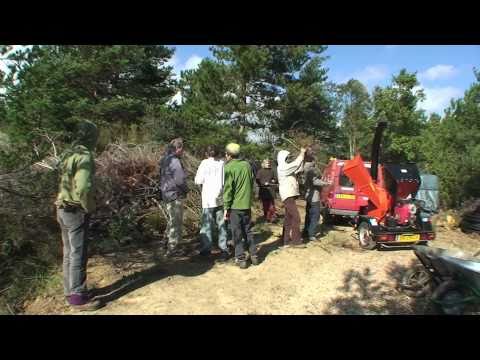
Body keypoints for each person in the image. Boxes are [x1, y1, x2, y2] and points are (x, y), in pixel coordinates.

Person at [55, 120, 102, 311]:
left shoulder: (68, 152)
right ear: (91, 136)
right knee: (78, 255)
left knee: (68, 253)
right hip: (75, 210)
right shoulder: (84, 155)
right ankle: (78, 298)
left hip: (62, 208)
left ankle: (70, 291)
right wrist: (88, 207)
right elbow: (83, 187)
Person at [223, 143, 258, 269]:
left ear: (228, 155)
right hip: (247, 204)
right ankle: (254, 255)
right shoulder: (247, 165)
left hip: (235, 206)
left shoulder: (229, 167)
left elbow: (228, 190)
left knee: (236, 232)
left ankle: (240, 258)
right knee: (248, 230)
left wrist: (226, 207)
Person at [194, 145, 230, 260]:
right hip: (220, 198)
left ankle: (206, 249)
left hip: (208, 199)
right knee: (222, 224)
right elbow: (225, 180)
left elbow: (198, 180)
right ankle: (223, 248)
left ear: (206, 153)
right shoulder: (222, 163)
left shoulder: (204, 163)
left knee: (206, 225)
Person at [159, 138, 188, 257]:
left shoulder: (165, 159)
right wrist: (186, 189)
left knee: (171, 219)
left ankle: (164, 242)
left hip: (166, 193)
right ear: (178, 149)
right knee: (176, 222)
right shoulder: (175, 161)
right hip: (174, 194)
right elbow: (180, 180)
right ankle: (172, 248)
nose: (183, 152)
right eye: (182, 149)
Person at [277, 147, 307, 248]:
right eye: (288, 157)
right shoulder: (282, 167)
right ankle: (296, 241)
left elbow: (299, 168)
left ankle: (285, 241)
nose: (289, 159)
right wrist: (301, 153)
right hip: (287, 196)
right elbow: (295, 164)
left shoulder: (286, 167)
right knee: (296, 218)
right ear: (283, 158)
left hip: (290, 195)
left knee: (288, 219)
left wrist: (303, 157)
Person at [302, 155, 330, 241]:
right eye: (315, 161)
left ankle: (306, 232)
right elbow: (315, 181)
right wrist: (326, 183)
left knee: (309, 215)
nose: (316, 162)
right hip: (314, 197)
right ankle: (312, 234)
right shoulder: (311, 170)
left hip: (308, 196)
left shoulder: (304, 169)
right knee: (315, 216)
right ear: (312, 161)